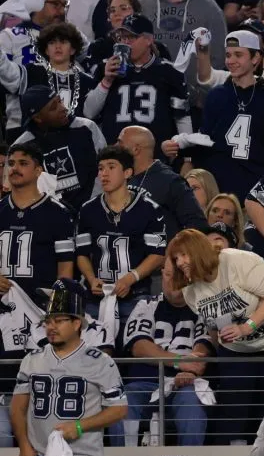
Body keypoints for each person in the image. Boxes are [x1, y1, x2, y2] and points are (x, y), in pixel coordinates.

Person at [168, 229, 264, 443]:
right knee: (233, 408)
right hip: (240, 348)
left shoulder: (237, 261)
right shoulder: (191, 291)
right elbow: (213, 327)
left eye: (183, 255)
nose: (179, 263)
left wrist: (247, 327)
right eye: (175, 258)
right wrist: (224, 344)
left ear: (197, 250)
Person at [12, 279, 127, 456]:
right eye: (48, 321)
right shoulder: (31, 360)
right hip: (39, 455)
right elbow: (18, 407)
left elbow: (119, 409)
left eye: (59, 321)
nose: (51, 327)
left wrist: (79, 426)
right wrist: (24, 446)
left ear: (77, 323)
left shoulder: (101, 362)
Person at [172, 30, 264, 200]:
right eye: (228, 55)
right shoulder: (216, 95)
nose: (231, 61)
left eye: (238, 55)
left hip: (253, 194)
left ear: (255, 58)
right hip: (215, 191)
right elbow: (204, 142)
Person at [116, 259, 212, 447]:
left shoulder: (203, 307)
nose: (173, 281)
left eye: (179, 276)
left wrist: (190, 370)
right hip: (145, 384)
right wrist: (179, 361)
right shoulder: (146, 304)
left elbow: (203, 349)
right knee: (123, 402)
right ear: (161, 274)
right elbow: (139, 346)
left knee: (192, 404)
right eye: (168, 275)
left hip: (185, 385)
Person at [76, 146, 167, 323]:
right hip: (96, 298)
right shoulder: (87, 210)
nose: (104, 174)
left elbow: (157, 255)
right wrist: (91, 278)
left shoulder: (150, 209)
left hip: (136, 296)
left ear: (127, 173)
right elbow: (82, 253)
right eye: (101, 168)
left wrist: (130, 279)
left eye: (111, 167)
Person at [84, 14, 193, 158]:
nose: (125, 43)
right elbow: (89, 112)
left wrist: (187, 159)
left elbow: (182, 119)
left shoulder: (170, 73)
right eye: (122, 38)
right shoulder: (105, 68)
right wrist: (107, 80)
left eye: (131, 38)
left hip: (155, 157)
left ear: (149, 40)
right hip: (116, 158)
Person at [14, 84, 107, 214]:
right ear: (38, 118)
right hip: (47, 218)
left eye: (60, 101)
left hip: (94, 211)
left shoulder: (87, 128)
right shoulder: (22, 146)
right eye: (53, 107)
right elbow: (22, 189)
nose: (63, 108)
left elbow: (105, 171)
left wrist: (91, 207)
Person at [0, 143, 75, 300]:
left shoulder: (59, 213)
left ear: (38, 170)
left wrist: (56, 307)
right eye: (11, 163)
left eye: (23, 163)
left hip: (39, 308)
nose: (14, 168)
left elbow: (65, 266)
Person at [118, 126, 206, 240]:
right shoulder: (121, 177)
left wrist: (172, 252)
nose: (115, 147)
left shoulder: (171, 182)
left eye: (120, 143)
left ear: (136, 149)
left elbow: (198, 226)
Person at [0, 21, 96, 126]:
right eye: (52, 42)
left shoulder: (86, 80)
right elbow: (8, 72)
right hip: (38, 139)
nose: (57, 47)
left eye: (63, 42)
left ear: (73, 49)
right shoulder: (33, 72)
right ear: (46, 50)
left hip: (76, 139)